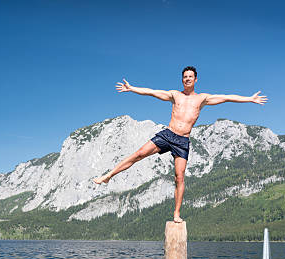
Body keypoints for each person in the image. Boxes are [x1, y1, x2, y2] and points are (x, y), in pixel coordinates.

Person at [93, 66, 268, 223]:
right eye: (185, 77)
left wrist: (249, 99)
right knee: (139, 153)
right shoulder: (174, 95)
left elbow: (227, 97)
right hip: (168, 134)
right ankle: (108, 176)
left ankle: (176, 213)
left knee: (179, 177)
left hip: (183, 140)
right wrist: (132, 89)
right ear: (182, 79)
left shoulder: (202, 99)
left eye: (190, 76)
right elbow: (151, 92)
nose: (187, 79)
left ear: (196, 79)